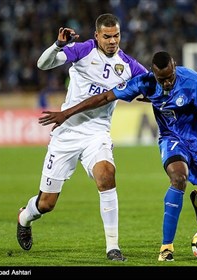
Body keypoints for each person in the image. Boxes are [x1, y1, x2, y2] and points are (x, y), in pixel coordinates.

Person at [38, 51, 197, 261]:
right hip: (172, 140)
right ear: (153, 73)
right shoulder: (145, 83)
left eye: (170, 77)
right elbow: (105, 97)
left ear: (175, 67)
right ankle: (166, 247)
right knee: (179, 178)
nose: (167, 83)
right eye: (162, 79)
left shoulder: (194, 81)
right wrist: (66, 113)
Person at [16, 13, 148, 261]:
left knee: (106, 175)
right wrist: (58, 45)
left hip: (97, 133)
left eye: (116, 36)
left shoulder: (129, 66)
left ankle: (113, 247)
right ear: (97, 35)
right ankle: (24, 217)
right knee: (46, 204)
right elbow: (42, 65)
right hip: (66, 134)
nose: (112, 41)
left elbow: (151, 84)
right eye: (107, 36)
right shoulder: (84, 50)